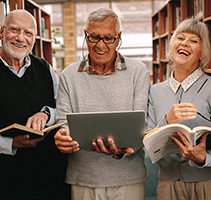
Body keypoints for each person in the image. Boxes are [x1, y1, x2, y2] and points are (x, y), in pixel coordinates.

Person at [0, 9, 68, 200]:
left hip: (57, 179)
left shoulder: (45, 68)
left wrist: (46, 114)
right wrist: (11, 143)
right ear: (1, 32)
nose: (21, 38)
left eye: (28, 33)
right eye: (14, 30)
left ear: (34, 38)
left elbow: (65, 109)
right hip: (13, 185)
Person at [54, 7, 150, 200]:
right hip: (84, 178)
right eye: (94, 37)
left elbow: (143, 125)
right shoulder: (68, 76)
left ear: (118, 37)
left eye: (108, 38)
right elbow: (63, 123)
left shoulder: (138, 72)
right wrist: (62, 137)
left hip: (128, 177)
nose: (101, 45)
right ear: (85, 35)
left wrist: (122, 149)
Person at [147, 18, 211, 200]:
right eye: (180, 38)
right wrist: (167, 122)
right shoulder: (155, 91)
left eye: (194, 41)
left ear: (202, 53)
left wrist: (204, 158)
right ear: (172, 46)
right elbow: (148, 140)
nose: (185, 43)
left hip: (209, 184)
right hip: (167, 185)